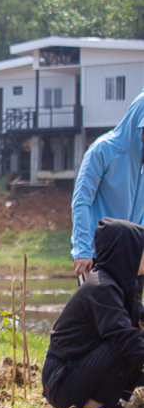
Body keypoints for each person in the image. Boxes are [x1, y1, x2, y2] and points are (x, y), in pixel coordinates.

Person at [43, 218, 144, 408]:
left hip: (79, 369)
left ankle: (108, 404)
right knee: (126, 345)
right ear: (128, 252)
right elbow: (125, 338)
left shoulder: (122, 285)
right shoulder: (102, 288)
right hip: (61, 380)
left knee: (134, 341)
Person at [71, 89, 144, 276]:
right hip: (98, 256)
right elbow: (81, 201)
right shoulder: (103, 150)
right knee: (102, 305)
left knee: (133, 307)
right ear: (136, 123)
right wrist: (83, 250)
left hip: (132, 258)